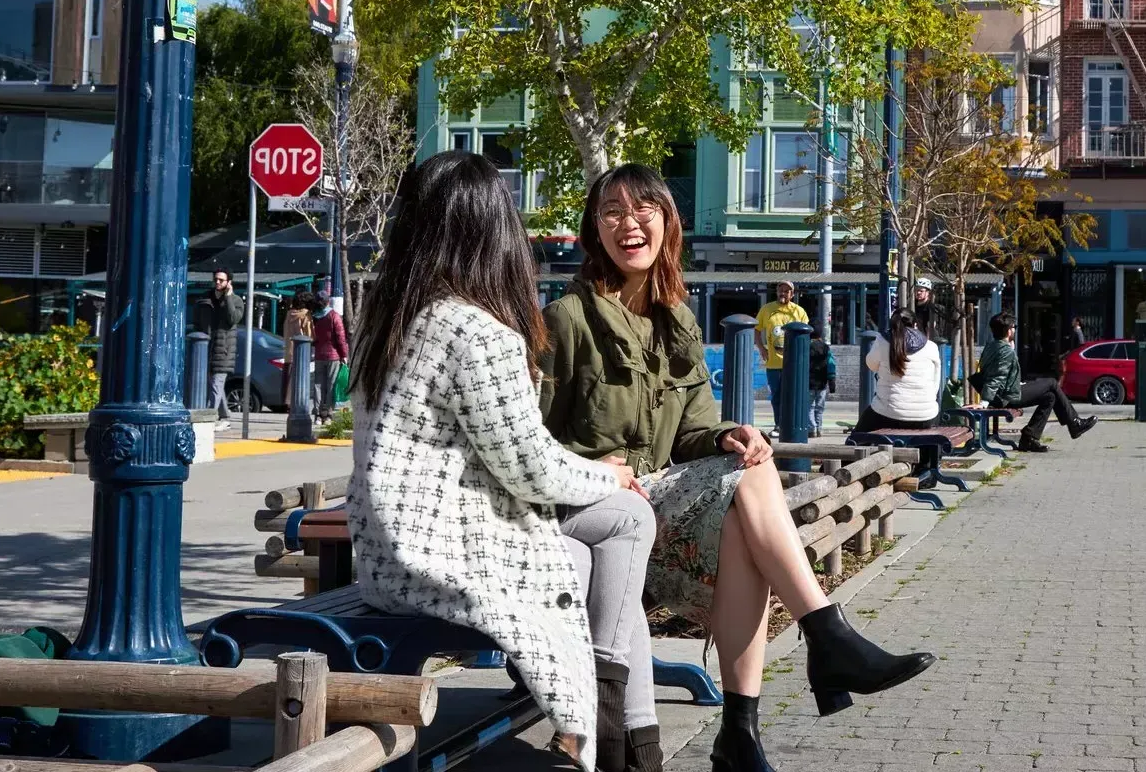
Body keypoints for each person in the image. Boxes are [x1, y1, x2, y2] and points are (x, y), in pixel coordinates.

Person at [539, 164, 935, 772]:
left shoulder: (678, 318)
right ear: (595, 230)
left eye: (642, 208)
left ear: (667, 221)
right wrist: (593, 469)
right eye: (611, 212)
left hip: (659, 499)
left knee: (748, 488)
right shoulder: (567, 319)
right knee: (749, 495)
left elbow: (695, 428)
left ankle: (741, 732)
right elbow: (532, 441)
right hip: (601, 508)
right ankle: (824, 641)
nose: (628, 223)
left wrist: (732, 434)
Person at [346, 152, 645, 771]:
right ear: (495, 231)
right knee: (625, 519)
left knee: (606, 537)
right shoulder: (474, 331)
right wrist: (609, 473)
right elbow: (529, 467)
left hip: (384, 553)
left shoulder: (390, 316)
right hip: (439, 557)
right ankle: (617, 735)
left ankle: (612, 734)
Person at [976, 312, 1096, 452]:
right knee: (1051, 382)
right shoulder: (1005, 350)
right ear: (1009, 330)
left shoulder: (991, 346)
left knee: (1050, 397)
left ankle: (1029, 438)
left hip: (1003, 393)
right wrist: (984, 402)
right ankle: (1074, 423)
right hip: (1006, 397)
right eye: (1014, 327)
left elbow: (992, 372)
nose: (1015, 330)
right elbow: (997, 377)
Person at [859, 307, 943, 435]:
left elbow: (871, 365)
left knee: (857, 438)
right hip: (926, 415)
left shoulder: (882, 341)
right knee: (930, 443)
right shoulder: (931, 346)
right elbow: (936, 382)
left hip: (888, 414)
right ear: (915, 324)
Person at [754, 282, 808, 412]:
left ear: (792, 294)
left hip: (793, 363)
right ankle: (778, 424)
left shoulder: (798, 311)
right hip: (773, 363)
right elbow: (756, 329)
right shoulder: (767, 309)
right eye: (780, 290)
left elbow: (805, 334)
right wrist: (761, 348)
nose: (783, 293)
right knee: (776, 396)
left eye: (787, 291)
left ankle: (789, 426)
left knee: (792, 396)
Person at [205, 270, 244, 420]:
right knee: (215, 386)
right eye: (216, 279)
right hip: (208, 348)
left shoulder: (236, 301)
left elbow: (233, 319)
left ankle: (209, 417)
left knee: (216, 384)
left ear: (229, 282)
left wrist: (227, 297)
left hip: (224, 350)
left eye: (221, 280)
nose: (218, 282)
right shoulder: (208, 298)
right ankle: (225, 416)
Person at [308, 293, 349, 423]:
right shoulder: (334, 316)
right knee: (331, 385)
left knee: (318, 385)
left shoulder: (314, 317)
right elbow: (340, 338)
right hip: (333, 356)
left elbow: (312, 337)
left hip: (319, 355)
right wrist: (344, 355)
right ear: (328, 302)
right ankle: (328, 415)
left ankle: (318, 415)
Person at [807, 332, 836, 438]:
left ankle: (811, 429)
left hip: (809, 382)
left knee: (809, 407)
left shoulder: (806, 346)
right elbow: (831, 364)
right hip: (822, 383)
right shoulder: (825, 347)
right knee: (819, 407)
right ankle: (819, 428)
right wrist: (832, 380)